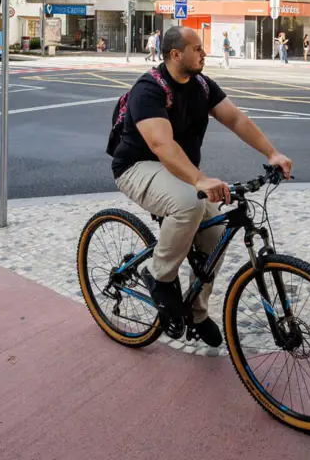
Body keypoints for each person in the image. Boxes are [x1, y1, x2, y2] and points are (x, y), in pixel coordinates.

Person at [112, 26, 293, 347]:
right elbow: (161, 144)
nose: (204, 53)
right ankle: (159, 275)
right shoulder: (149, 90)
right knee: (188, 203)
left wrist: (272, 153)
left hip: (179, 169)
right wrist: (199, 180)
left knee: (214, 235)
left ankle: (195, 315)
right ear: (175, 55)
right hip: (136, 167)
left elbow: (237, 119)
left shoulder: (201, 86)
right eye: (197, 48)